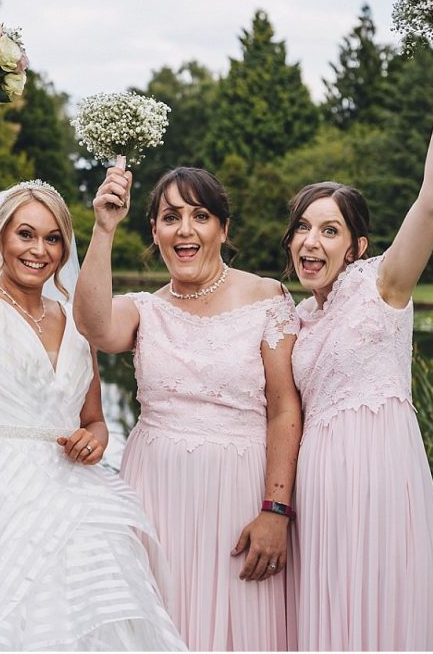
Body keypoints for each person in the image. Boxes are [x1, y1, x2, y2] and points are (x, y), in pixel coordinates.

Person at [0, 75, 185, 651]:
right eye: (25, 235)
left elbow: (92, 419)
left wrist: (96, 436)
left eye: (54, 239)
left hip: (77, 501)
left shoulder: (76, 321)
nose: (40, 250)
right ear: (2, 240)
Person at [284, 25, 433, 650]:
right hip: (320, 503)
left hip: (382, 479)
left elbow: (432, 203)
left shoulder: (384, 286)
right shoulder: (294, 321)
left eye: (330, 231)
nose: (312, 242)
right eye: (303, 229)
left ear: (357, 245)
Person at [73, 164, 302, 650]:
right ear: (154, 231)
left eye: (200, 216)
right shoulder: (144, 309)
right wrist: (104, 227)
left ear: (223, 228)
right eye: (170, 217)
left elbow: (285, 410)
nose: (185, 229)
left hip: (239, 493)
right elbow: (93, 324)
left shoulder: (265, 296)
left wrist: (276, 509)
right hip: (154, 492)